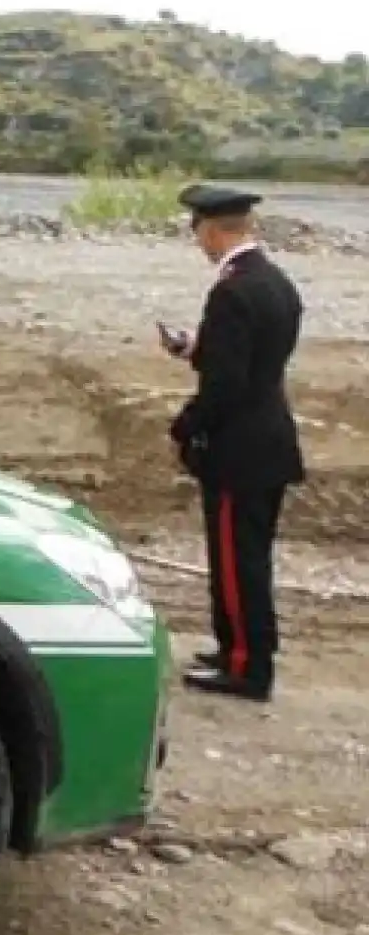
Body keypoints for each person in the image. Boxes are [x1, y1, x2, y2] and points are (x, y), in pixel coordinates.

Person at [164, 184, 305, 703]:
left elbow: (225, 385)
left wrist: (185, 426)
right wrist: (195, 350)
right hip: (270, 436)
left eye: (197, 230)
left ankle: (246, 666)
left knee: (235, 558)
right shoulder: (275, 281)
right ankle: (238, 647)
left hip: (239, 447)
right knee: (248, 556)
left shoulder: (231, 291)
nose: (198, 241)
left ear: (212, 229)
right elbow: (252, 359)